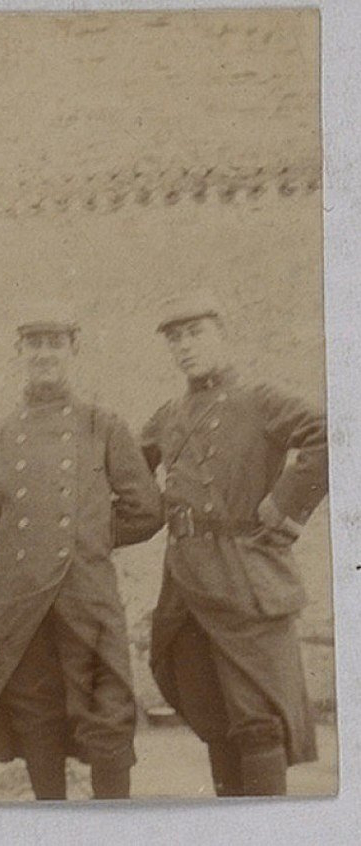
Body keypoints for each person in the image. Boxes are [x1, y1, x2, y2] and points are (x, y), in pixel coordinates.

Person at [0, 301, 163, 800]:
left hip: (87, 601)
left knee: (109, 722)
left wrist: (84, 538)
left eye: (55, 343)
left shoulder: (102, 425)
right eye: (34, 344)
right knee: (37, 726)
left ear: (73, 351)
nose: (44, 353)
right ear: (18, 353)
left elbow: (147, 508)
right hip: (22, 608)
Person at [140, 290, 328, 797]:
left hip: (245, 577)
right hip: (185, 587)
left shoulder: (261, 399)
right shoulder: (167, 416)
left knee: (256, 717)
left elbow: (330, 432)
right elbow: (131, 485)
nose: (185, 347)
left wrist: (285, 508)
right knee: (213, 714)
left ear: (225, 334)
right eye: (175, 339)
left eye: (196, 333)